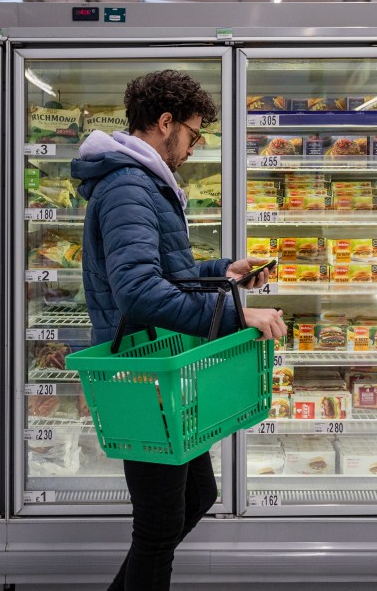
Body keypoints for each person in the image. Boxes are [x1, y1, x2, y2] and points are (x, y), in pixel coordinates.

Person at [71, 69, 286, 590]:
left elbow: (163, 272)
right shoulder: (129, 186)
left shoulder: (144, 181)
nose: (193, 146)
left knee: (196, 499)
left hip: (163, 365)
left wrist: (222, 272)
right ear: (165, 123)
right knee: (158, 527)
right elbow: (140, 291)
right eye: (192, 133)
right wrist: (238, 315)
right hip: (143, 373)